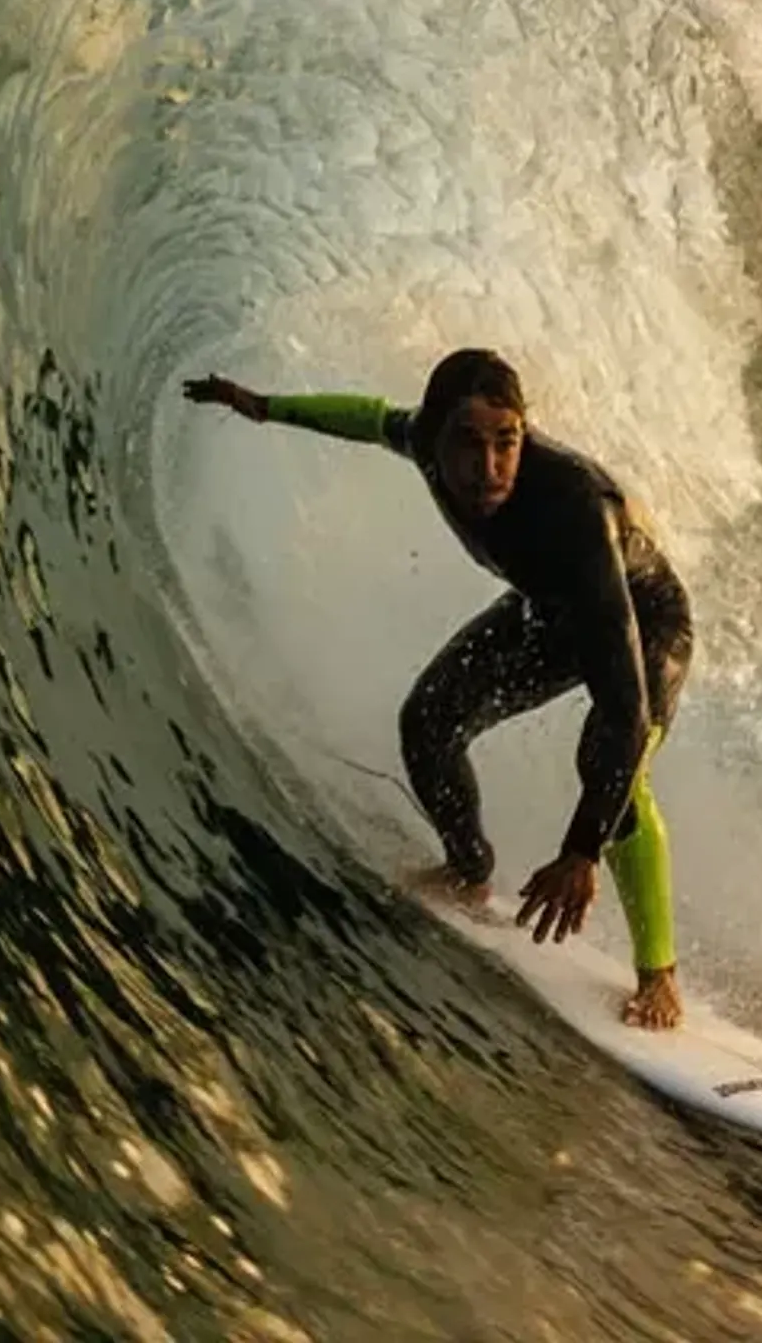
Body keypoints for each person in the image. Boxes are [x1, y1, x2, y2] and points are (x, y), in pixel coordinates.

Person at [182, 349, 693, 1030]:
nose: (488, 468)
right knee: (430, 720)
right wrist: (264, 406)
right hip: (554, 611)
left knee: (613, 767)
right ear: (435, 435)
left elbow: (627, 711)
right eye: (469, 444)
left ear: (525, 433)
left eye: (506, 443)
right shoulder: (419, 440)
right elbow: (366, 419)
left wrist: (578, 853)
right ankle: (468, 867)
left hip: (642, 618)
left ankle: (659, 976)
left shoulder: (575, 507)